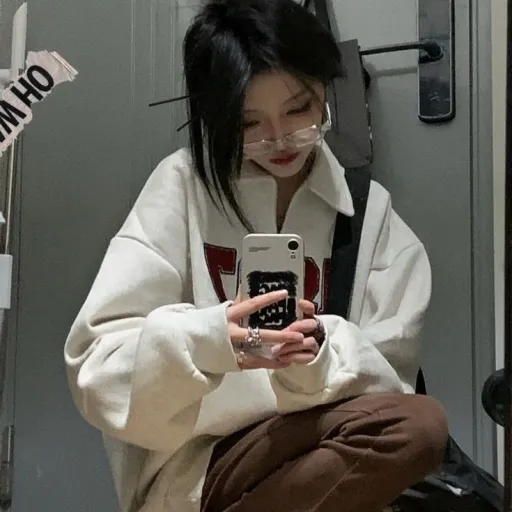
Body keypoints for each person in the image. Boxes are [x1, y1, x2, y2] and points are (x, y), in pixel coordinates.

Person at [64, 1, 449, 511]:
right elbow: (97, 367)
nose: (279, 138)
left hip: (324, 447)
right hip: (208, 463)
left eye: (299, 108)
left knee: (417, 427)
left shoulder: (367, 214)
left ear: (326, 89)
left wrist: (316, 352)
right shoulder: (183, 186)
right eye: (248, 123)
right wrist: (211, 341)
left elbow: (390, 380)